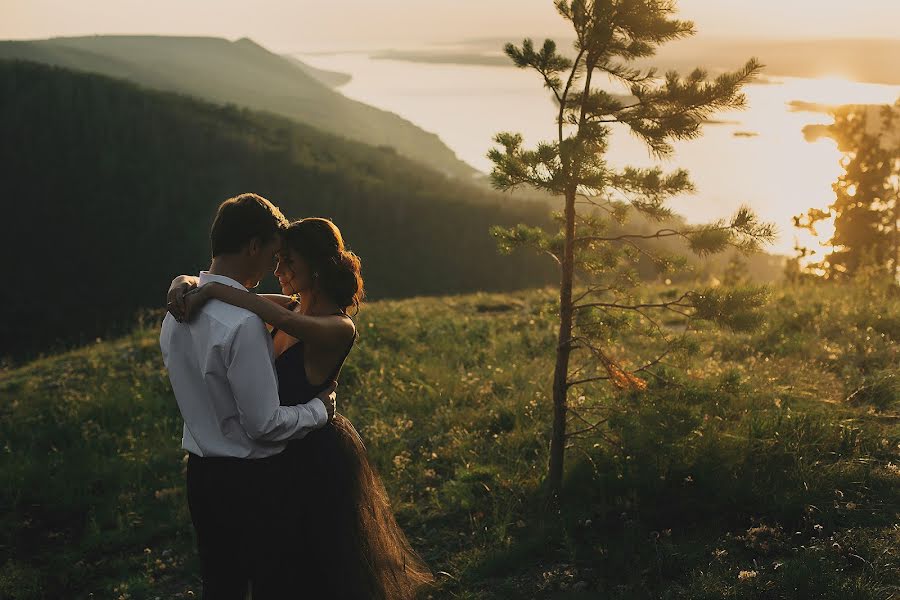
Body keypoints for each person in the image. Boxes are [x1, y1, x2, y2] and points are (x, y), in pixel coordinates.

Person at [168, 217, 433, 599]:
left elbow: (274, 316)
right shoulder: (290, 304)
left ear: (317, 266)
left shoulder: (337, 326)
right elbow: (257, 305)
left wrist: (208, 290)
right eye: (277, 259)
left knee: (317, 571)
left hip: (314, 455)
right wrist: (185, 282)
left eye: (287, 261)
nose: (278, 270)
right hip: (277, 450)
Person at [160, 193, 337, 600]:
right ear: (254, 246)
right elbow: (264, 425)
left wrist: (187, 280)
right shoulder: (242, 326)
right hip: (253, 484)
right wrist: (317, 410)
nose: (275, 266)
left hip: (202, 478)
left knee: (220, 586)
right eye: (274, 253)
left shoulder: (173, 315)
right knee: (274, 586)